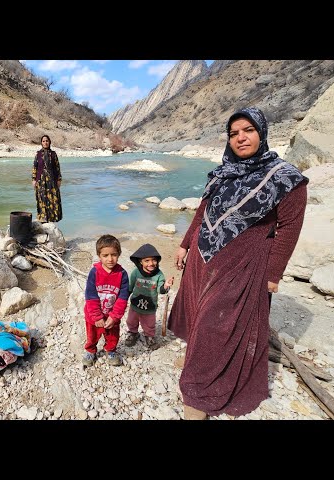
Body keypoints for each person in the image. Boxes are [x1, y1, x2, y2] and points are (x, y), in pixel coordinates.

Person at [167, 107, 309, 420]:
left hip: (242, 263)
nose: (240, 138)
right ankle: (196, 359)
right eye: (234, 133)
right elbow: (203, 213)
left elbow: (288, 229)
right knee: (196, 312)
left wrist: (273, 274)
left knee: (218, 324)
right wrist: (184, 244)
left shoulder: (286, 179)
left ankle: (200, 394)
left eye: (248, 130)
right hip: (203, 258)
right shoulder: (223, 172)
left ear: (262, 132)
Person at [83, 234, 129, 367]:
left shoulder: (122, 274)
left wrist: (114, 317)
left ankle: (111, 350)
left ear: (119, 254)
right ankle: (90, 350)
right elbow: (91, 296)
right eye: (105, 255)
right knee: (92, 335)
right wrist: (96, 317)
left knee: (113, 335)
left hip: (111, 314)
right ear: (99, 255)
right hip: (94, 315)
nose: (110, 259)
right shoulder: (94, 272)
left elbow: (122, 298)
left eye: (114, 254)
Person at [126, 244, 174, 350]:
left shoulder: (159, 275)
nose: (151, 263)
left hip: (150, 306)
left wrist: (166, 285)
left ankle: (149, 336)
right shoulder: (136, 272)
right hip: (135, 304)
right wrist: (123, 299)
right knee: (131, 320)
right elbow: (130, 286)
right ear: (140, 262)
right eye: (147, 260)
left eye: (154, 260)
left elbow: (160, 290)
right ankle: (133, 333)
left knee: (149, 323)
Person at [32, 134, 63, 223]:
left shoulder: (53, 154)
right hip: (40, 181)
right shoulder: (38, 154)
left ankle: (52, 219)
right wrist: (33, 179)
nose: (45, 142)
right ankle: (43, 219)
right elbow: (35, 167)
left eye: (47, 141)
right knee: (41, 198)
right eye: (43, 141)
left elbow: (57, 167)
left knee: (53, 199)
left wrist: (59, 179)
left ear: (49, 142)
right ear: (41, 143)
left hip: (52, 181)